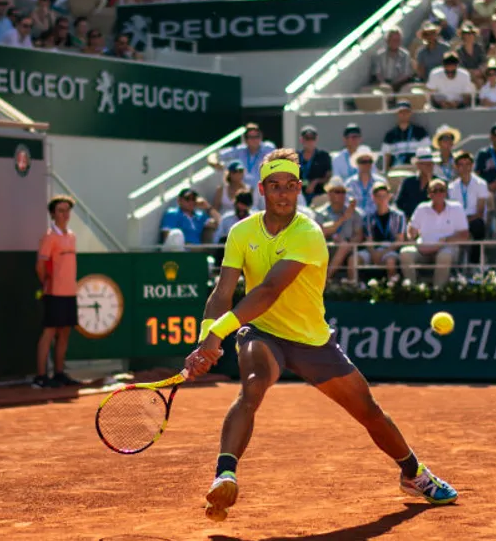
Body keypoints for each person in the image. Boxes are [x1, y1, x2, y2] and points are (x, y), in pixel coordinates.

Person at [185, 150, 458, 521]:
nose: (282, 193)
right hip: (261, 330)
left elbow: (267, 292)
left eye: (290, 186)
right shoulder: (240, 232)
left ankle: (413, 473)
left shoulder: (309, 233)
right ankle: (224, 476)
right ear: (263, 189)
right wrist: (205, 338)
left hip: (311, 338)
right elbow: (222, 292)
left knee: (369, 412)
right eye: (274, 186)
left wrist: (216, 334)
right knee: (252, 384)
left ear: (298, 189)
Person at [35, 195, 79, 389]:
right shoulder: (49, 237)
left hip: (70, 292)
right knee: (49, 333)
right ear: (53, 214)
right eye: (60, 211)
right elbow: (40, 265)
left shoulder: (71, 236)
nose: (65, 214)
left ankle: (59, 373)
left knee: (65, 333)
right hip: (54, 292)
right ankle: (41, 376)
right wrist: (47, 283)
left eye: (67, 210)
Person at [400, 178, 470, 287]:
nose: (438, 193)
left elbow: (464, 235)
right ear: (429, 194)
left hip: (447, 248)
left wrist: (445, 241)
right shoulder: (421, 208)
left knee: (444, 256)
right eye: (434, 190)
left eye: (441, 190)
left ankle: (438, 292)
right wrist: (413, 238)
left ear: (446, 193)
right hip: (423, 249)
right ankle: (412, 290)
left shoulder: (457, 208)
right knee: (405, 253)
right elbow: (411, 229)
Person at [314, 176, 364, 284]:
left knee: (345, 247)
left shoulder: (355, 213)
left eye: (343, 192)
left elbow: (359, 236)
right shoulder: (320, 213)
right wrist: (344, 218)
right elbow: (322, 232)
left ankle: (326, 279)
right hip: (326, 248)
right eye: (337, 192)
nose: (341, 195)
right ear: (329, 194)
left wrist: (348, 243)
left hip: (347, 249)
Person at [363, 183, 408, 280]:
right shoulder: (368, 217)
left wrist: (382, 253)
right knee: (354, 260)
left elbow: (399, 240)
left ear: (389, 197)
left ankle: (391, 289)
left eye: (384, 196)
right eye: (378, 196)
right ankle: (355, 288)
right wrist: (373, 253)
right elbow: (369, 241)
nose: (382, 199)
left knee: (390, 262)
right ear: (373, 198)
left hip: (390, 249)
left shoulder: (399, 216)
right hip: (374, 250)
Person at [210, 123, 275, 188]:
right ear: (245, 140)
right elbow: (216, 155)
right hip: (243, 191)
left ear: (261, 137)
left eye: (257, 136)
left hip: (261, 191)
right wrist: (214, 162)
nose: (254, 140)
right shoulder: (240, 150)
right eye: (251, 137)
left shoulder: (268, 148)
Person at [381, 101, 430, 169]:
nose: (404, 114)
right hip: (397, 170)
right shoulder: (390, 135)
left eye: (406, 112)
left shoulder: (420, 132)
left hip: (416, 169)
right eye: (401, 112)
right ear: (397, 114)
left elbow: (426, 152)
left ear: (410, 113)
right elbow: (386, 156)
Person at [296, 125, 333, 204]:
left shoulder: (323, 156)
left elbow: (328, 177)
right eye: (307, 138)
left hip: (318, 195)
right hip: (299, 195)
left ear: (316, 139)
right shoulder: (295, 156)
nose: (310, 141)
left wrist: (316, 181)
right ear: (301, 140)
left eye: (312, 138)